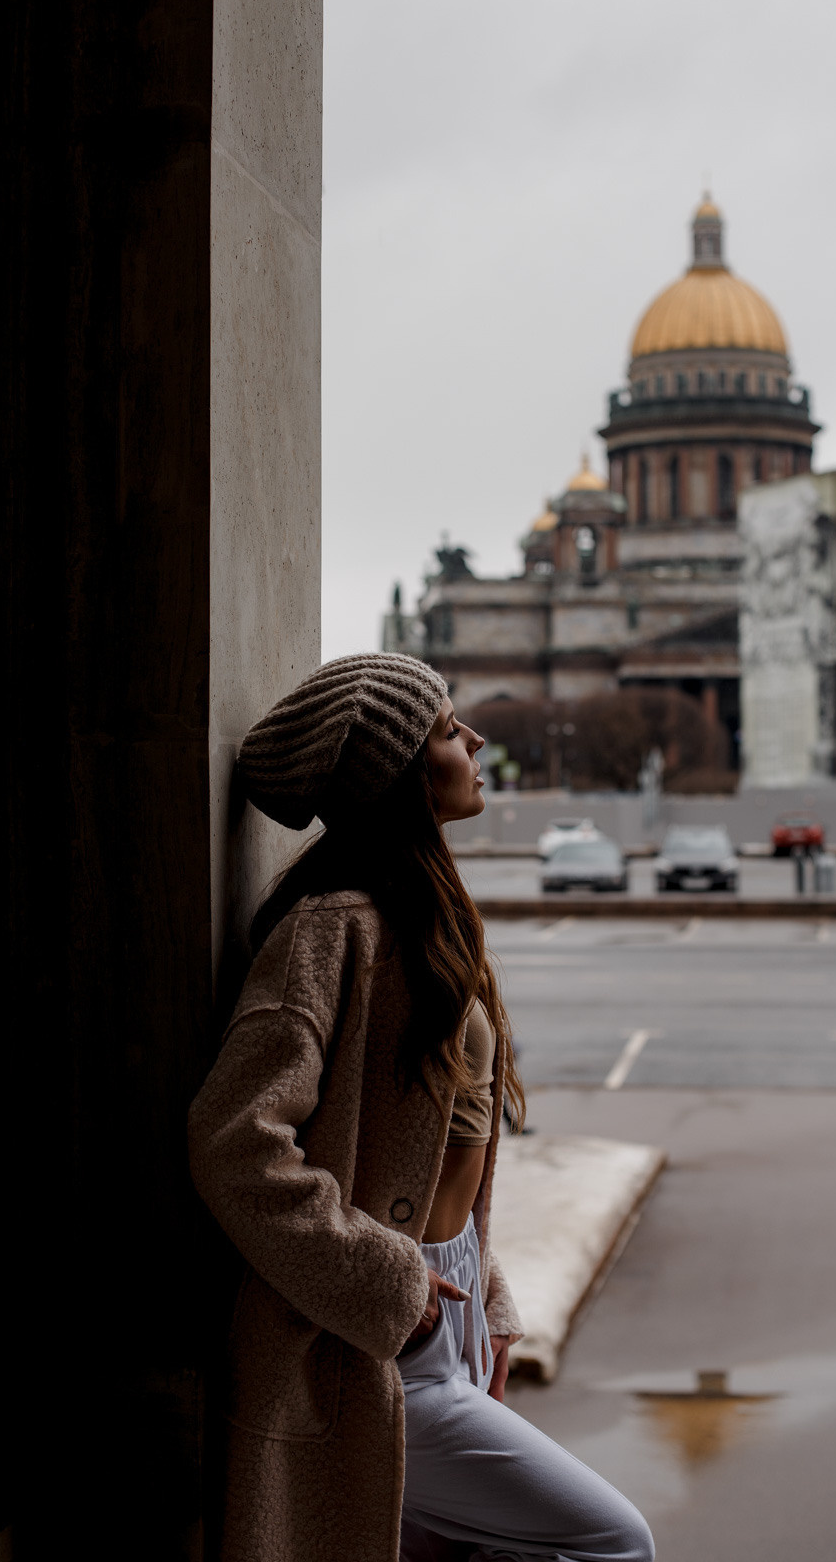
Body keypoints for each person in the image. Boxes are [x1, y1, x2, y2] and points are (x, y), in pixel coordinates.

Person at [188, 653, 654, 1562]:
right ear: (395, 773)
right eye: (447, 728)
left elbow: (443, 1155)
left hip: (440, 1309)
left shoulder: (417, 915)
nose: (474, 740)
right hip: (368, 1338)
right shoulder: (333, 929)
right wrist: (384, 1282)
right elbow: (233, 1140)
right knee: (610, 1542)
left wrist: (490, 1298)